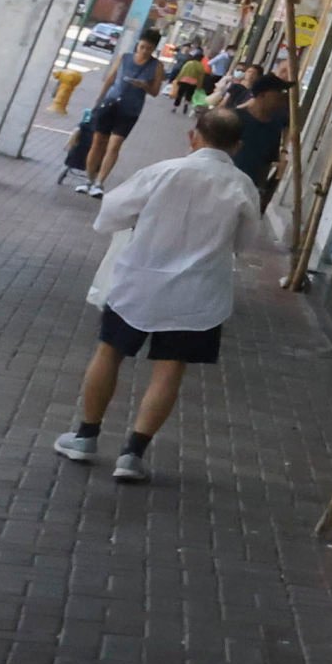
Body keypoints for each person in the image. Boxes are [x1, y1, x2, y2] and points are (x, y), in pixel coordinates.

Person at [54, 106, 279, 485]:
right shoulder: (242, 187)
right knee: (170, 368)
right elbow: (242, 242)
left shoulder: (162, 171)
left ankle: (85, 437)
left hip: (138, 282)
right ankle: (132, 454)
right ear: (237, 146)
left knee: (109, 352)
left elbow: (110, 215)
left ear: (194, 136)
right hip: (198, 293)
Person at [65, 32, 161, 195]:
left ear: (154, 49)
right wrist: (98, 101)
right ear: (138, 44)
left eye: (149, 48)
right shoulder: (124, 58)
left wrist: (144, 86)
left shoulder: (156, 66)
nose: (144, 51)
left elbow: (155, 91)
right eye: (142, 46)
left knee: (114, 144)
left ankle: (99, 183)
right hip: (109, 104)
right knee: (97, 142)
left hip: (130, 109)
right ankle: (88, 180)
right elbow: (110, 80)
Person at [218, 67, 293, 202]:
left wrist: (260, 191)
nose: (282, 99)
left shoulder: (275, 125)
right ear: (262, 95)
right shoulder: (234, 119)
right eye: (278, 94)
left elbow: (266, 162)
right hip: (221, 186)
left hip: (247, 194)